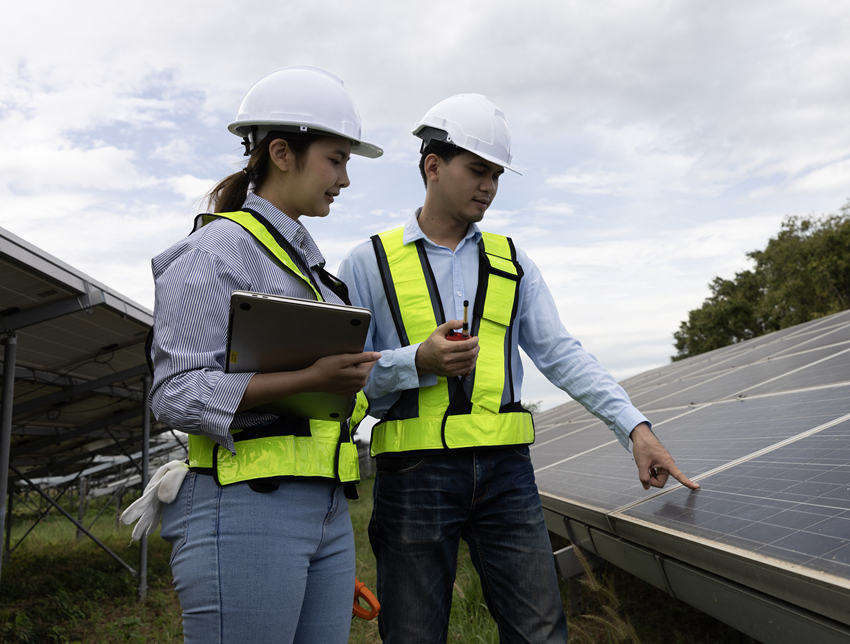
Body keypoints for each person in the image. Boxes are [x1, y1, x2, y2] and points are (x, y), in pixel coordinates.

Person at [338, 93, 699, 644]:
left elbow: (561, 353)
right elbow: (346, 376)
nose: (489, 186)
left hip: (507, 475)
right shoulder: (368, 263)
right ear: (432, 166)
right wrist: (418, 361)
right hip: (413, 477)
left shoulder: (510, 260)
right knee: (413, 635)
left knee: (540, 633)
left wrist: (636, 428)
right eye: (477, 170)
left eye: (497, 175)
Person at [144, 66, 383, 644]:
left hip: (323, 509)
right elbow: (174, 393)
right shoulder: (217, 249)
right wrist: (310, 376)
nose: (345, 179)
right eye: (336, 159)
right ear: (281, 152)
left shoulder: (314, 273)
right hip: (244, 511)